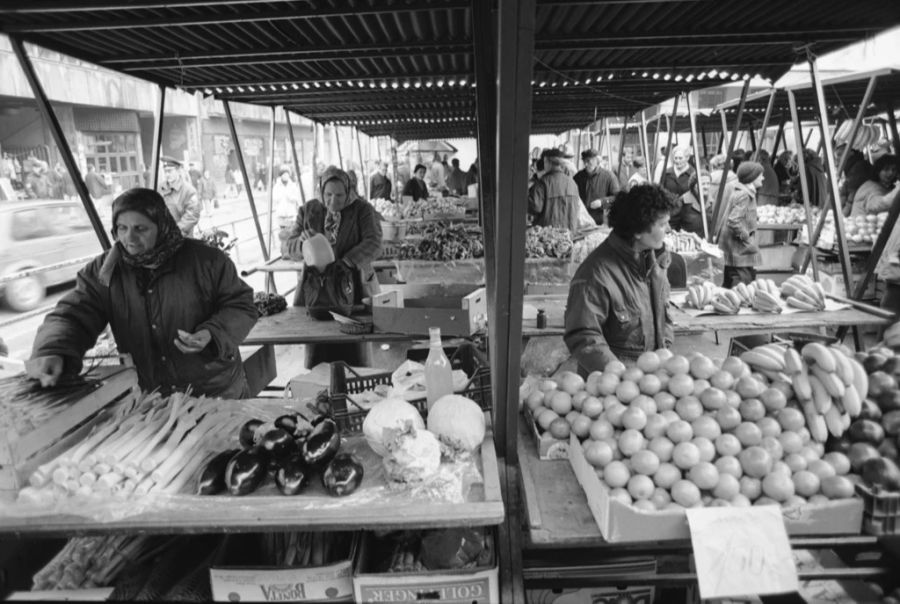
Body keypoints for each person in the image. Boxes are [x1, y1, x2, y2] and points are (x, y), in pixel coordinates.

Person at [27, 188, 258, 398]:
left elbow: (242, 304)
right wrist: (53, 348)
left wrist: (212, 333)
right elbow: (74, 314)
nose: (129, 237)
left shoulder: (206, 261)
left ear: (162, 226)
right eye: (122, 228)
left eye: (141, 228)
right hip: (154, 396)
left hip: (215, 390)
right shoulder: (105, 271)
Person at [564, 184, 676, 376]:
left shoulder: (655, 261)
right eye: (662, 224)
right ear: (638, 231)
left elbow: (663, 315)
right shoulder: (595, 274)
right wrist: (619, 376)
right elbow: (583, 335)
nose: (669, 229)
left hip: (652, 383)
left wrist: (665, 353)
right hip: (611, 388)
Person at [281, 166, 382, 366]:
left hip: (354, 287)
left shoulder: (362, 209)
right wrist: (302, 244)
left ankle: (357, 388)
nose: (333, 201)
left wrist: (347, 262)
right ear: (321, 191)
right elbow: (287, 247)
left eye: (339, 195)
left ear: (349, 192)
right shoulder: (308, 210)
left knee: (354, 347)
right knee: (319, 350)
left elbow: (374, 243)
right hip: (317, 293)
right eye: (328, 195)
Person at [720, 161, 764, 288]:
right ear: (752, 177)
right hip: (739, 251)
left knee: (734, 283)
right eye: (760, 175)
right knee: (742, 284)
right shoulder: (744, 194)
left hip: (735, 250)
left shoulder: (743, 192)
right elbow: (733, 220)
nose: (763, 177)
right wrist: (746, 238)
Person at [528, 148, 582, 232]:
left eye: (545, 161)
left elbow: (535, 207)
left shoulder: (543, 183)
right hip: (568, 234)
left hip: (548, 235)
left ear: (548, 162)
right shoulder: (572, 183)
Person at [573, 148, 619, 225]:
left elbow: (617, 197)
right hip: (582, 220)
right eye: (584, 161)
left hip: (600, 221)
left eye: (588, 161)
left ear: (597, 161)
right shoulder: (578, 177)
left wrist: (602, 202)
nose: (586, 164)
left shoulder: (609, 176)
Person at [158, 156, 201, 237]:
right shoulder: (160, 188)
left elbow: (192, 215)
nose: (167, 174)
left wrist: (175, 233)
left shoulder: (189, 190)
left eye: (170, 171)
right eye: (165, 172)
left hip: (182, 237)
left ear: (178, 171)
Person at [660, 146, 695, 231]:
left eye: (680, 158)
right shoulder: (667, 172)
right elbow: (660, 191)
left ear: (687, 158)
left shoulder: (693, 174)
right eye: (675, 158)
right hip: (670, 215)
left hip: (686, 215)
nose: (677, 161)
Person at [679, 170, 712, 236]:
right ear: (694, 185)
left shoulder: (711, 202)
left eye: (708, 183)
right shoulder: (684, 200)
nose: (706, 187)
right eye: (702, 184)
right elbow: (672, 224)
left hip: (705, 243)